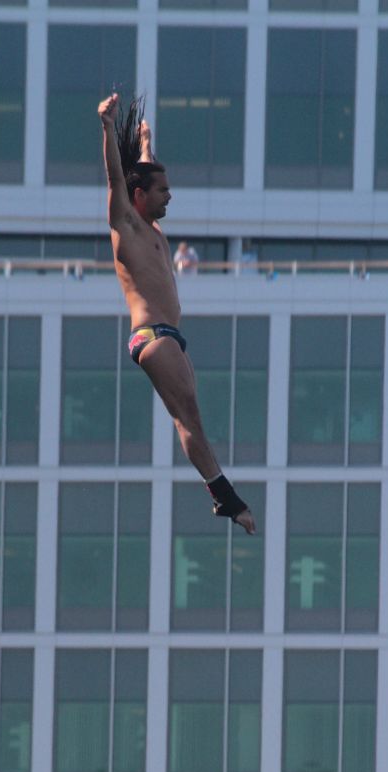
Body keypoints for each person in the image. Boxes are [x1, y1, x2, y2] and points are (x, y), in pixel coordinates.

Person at [97, 92, 255, 534]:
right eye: (163, 191)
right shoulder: (126, 225)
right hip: (153, 336)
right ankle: (226, 497)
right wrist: (108, 127)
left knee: (191, 416)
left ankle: (224, 496)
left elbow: (140, 172)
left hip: (169, 337)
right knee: (189, 418)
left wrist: (146, 143)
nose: (170, 196)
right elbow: (116, 178)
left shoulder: (151, 229)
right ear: (139, 195)